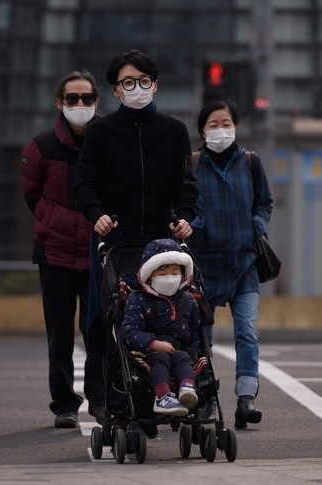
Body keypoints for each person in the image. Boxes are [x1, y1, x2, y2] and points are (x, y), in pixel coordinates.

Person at [74, 49, 198, 425]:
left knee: (174, 319)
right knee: (104, 318)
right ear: (115, 90)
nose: (138, 89)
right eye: (128, 83)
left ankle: (181, 390)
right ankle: (106, 398)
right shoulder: (101, 132)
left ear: (156, 84)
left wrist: (185, 219)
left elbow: (186, 186)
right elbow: (84, 185)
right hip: (116, 241)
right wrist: (96, 217)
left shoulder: (174, 131)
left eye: (144, 81)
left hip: (161, 244)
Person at [20, 70, 100, 428]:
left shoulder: (107, 142)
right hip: (54, 254)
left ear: (96, 101)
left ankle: (100, 400)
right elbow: (31, 195)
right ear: (59, 103)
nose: (79, 104)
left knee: (97, 330)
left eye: (86, 98)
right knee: (60, 333)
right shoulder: (41, 147)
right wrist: (52, 222)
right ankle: (64, 404)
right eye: (72, 98)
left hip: (98, 253)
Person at [188, 99, 273, 429]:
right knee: (200, 335)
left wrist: (256, 226)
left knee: (247, 331)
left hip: (244, 264)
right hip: (203, 266)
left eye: (226, 123)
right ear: (202, 130)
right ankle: (206, 398)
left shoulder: (251, 162)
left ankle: (246, 398)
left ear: (236, 126)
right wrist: (196, 224)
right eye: (213, 124)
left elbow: (265, 203)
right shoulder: (193, 164)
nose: (220, 129)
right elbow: (181, 206)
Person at [121, 238, 201, 417]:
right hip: (149, 354)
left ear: (183, 274)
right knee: (161, 359)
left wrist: (195, 352)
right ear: (149, 275)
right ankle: (162, 396)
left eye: (175, 272)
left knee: (183, 357)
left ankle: (187, 389)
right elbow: (129, 330)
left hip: (181, 352)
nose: (170, 277)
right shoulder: (138, 299)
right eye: (163, 273)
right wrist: (153, 343)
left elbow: (196, 333)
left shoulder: (188, 300)